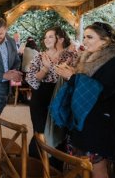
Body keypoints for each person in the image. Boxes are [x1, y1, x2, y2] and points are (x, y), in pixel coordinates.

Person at [56, 22, 115, 178]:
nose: (85, 41)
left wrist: (72, 77)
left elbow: (100, 90)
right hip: (86, 119)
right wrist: (73, 74)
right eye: (85, 37)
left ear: (106, 40)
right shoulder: (91, 58)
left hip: (104, 122)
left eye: (90, 37)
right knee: (84, 165)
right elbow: (86, 83)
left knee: (98, 167)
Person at [25, 26, 77, 156]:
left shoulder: (70, 56)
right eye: (45, 37)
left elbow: (76, 77)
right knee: (40, 131)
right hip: (41, 96)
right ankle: (35, 163)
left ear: (59, 39)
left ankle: (55, 166)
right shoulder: (39, 56)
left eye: (50, 37)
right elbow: (31, 79)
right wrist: (45, 69)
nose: (46, 40)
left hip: (61, 96)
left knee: (58, 131)